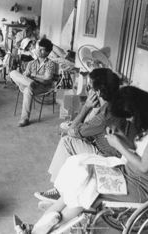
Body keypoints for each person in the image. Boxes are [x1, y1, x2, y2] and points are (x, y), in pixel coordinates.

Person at [14, 86, 148, 234]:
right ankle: (38, 226)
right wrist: (121, 137)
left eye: (129, 117)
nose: (130, 121)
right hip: (130, 174)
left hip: (143, 187)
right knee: (80, 179)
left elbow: (144, 166)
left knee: (88, 190)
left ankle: (41, 229)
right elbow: (139, 152)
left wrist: (119, 145)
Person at [34, 68, 127, 202]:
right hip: (104, 147)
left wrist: (86, 107)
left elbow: (73, 130)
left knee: (67, 141)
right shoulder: (112, 104)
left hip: (108, 158)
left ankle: (59, 190)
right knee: (68, 136)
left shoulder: (105, 115)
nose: (88, 90)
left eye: (89, 87)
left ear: (98, 92)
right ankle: (62, 183)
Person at [9, 38, 56, 127]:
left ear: (48, 52)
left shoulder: (50, 63)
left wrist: (33, 76)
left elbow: (47, 78)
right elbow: (25, 76)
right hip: (26, 84)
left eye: (43, 50)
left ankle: (24, 119)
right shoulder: (31, 63)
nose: (39, 51)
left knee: (28, 90)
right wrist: (27, 79)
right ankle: (30, 83)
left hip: (42, 86)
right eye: (39, 49)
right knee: (12, 73)